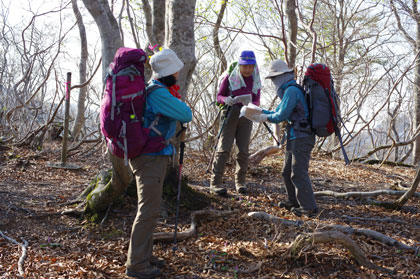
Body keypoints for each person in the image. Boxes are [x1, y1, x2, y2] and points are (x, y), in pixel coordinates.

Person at [125, 48, 192, 279]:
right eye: (174, 72)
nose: (177, 76)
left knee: (150, 209)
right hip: (150, 157)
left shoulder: (155, 90)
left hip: (152, 154)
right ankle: (136, 266)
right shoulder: (158, 93)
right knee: (148, 210)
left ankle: (144, 255)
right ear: (167, 73)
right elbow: (186, 114)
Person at [243, 59, 319, 217]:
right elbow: (277, 112)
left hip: (302, 136)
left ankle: (309, 208)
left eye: (274, 78)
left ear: (283, 76)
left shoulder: (291, 90)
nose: (273, 82)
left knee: (298, 172)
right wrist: (259, 112)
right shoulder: (290, 90)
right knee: (287, 172)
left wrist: (263, 118)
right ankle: (294, 202)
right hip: (295, 135)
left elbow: (281, 116)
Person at [209, 50, 261, 195]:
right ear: (239, 65)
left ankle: (240, 182)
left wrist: (253, 104)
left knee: (243, 150)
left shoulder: (256, 78)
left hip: (247, 113)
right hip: (230, 113)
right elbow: (219, 95)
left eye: (250, 66)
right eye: (245, 66)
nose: (248, 69)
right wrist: (226, 100)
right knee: (224, 148)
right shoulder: (230, 77)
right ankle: (215, 183)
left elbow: (257, 98)